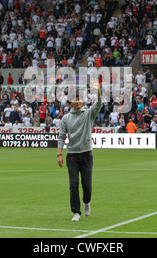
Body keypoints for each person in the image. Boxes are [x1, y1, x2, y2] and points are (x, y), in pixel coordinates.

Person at [57, 80, 102, 222]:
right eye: (75, 99)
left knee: (87, 185)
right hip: (72, 156)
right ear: (71, 102)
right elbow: (61, 137)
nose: (77, 101)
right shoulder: (66, 118)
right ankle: (76, 212)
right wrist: (59, 154)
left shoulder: (89, 114)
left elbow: (99, 104)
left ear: (83, 102)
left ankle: (87, 202)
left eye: (80, 99)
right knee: (73, 184)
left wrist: (98, 91)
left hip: (87, 155)